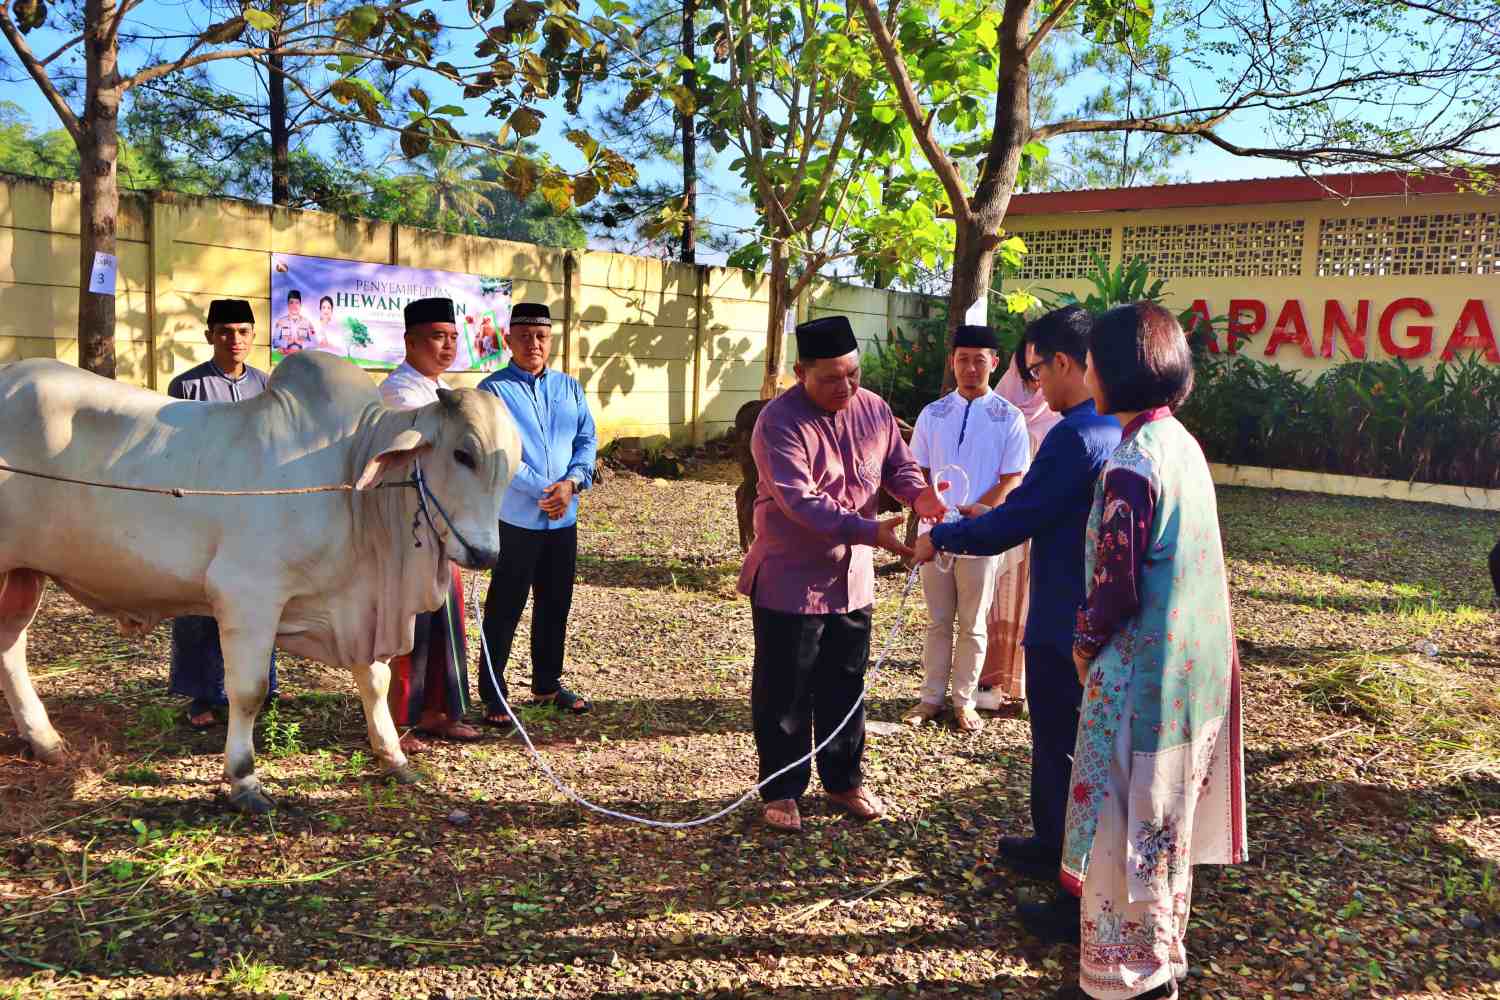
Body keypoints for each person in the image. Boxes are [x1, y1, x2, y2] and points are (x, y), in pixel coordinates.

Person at [1059, 302, 1248, 999]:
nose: (1085, 373)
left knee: (1125, 829)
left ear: (1108, 372)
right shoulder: (1182, 446)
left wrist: (1083, 645)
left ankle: (1122, 979)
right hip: (1191, 679)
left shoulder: (1132, 463)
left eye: (1090, 363)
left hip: (1142, 680)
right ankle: (1163, 962)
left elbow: (1115, 586)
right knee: (1164, 827)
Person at [913, 305, 1120, 902]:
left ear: (1063, 363)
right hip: (1085, 610)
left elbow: (1020, 512)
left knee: (1061, 739)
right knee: (1065, 739)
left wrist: (945, 536)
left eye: (1036, 374)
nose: (1035, 389)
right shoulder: (1115, 430)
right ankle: (1049, 838)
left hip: (1062, 618)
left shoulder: (1074, 435)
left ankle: (1067, 865)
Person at [740, 315, 948, 833]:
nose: (846, 387)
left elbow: (899, 466)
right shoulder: (778, 422)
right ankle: (783, 789)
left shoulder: (873, 408)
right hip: (792, 577)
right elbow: (799, 501)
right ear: (799, 372)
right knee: (786, 689)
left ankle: (843, 779)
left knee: (846, 682)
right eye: (831, 378)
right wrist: (869, 530)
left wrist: (920, 494)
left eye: (853, 374)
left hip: (852, 578)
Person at [903, 324, 1030, 733]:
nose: (970, 367)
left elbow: (1012, 476)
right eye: (962, 359)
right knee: (938, 621)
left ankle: (964, 700)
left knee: (973, 623)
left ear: (994, 363)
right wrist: (929, 505)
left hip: (981, 535)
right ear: (952, 362)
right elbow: (915, 469)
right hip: (935, 529)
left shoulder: (1008, 417)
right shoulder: (933, 413)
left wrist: (983, 511)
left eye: (979, 359)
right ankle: (929, 698)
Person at [477, 302, 597, 725]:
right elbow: (498, 451)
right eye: (524, 336)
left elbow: (587, 440)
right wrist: (545, 490)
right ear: (508, 340)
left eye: (541, 336)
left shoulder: (570, 388)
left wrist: (572, 484)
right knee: (505, 604)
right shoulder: (492, 392)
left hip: (564, 517)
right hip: (517, 518)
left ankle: (547, 683)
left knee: (555, 602)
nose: (534, 344)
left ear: (551, 340)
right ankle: (494, 693)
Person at [166, 298, 279, 729]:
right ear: (209, 334)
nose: (235, 340)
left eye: (244, 331)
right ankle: (200, 696)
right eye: (225, 331)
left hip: (256, 513)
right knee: (199, 601)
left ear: (253, 336)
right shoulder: (187, 387)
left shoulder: (267, 388)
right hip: (202, 510)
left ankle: (257, 685)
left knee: (257, 599)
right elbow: (175, 450)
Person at [378, 297, 480, 746]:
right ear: (410, 340)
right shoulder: (400, 393)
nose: (447, 346)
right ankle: (397, 720)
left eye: (453, 337)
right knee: (407, 625)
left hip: (442, 526)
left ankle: (437, 710)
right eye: (438, 336)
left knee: (446, 620)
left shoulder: (443, 391)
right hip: (407, 529)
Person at [975, 350, 1064, 709]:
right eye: (1026, 374)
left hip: (1039, 521)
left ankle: (1023, 685)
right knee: (996, 599)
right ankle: (989, 682)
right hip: (1004, 517)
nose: (1032, 383)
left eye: (1037, 372)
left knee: (1031, 599)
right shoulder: (999, 413)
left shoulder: (1059, 420)